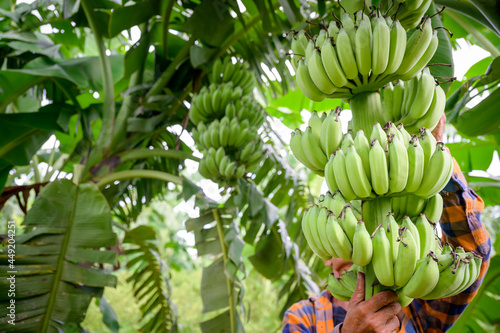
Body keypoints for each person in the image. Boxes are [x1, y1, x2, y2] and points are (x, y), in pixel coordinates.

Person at [282, 115, 491, 333]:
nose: (371, 236)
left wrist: (434, 161)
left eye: (379, 227)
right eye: (353, 227)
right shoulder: (304, 316)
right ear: (325, 245)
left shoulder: (414, 306)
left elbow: (472, 255)